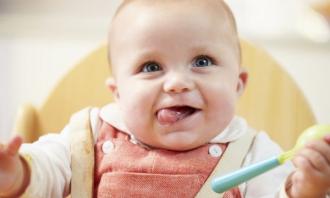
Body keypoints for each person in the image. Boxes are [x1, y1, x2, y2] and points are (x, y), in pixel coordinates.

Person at [1, 0, 330, 197]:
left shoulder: (254, 154)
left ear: (237, 84)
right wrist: (16, 174)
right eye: (151, 66)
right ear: (118, 93)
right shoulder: (86, 137)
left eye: (202, 62)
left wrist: (306, 188)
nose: (176, 83)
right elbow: (45, 173)